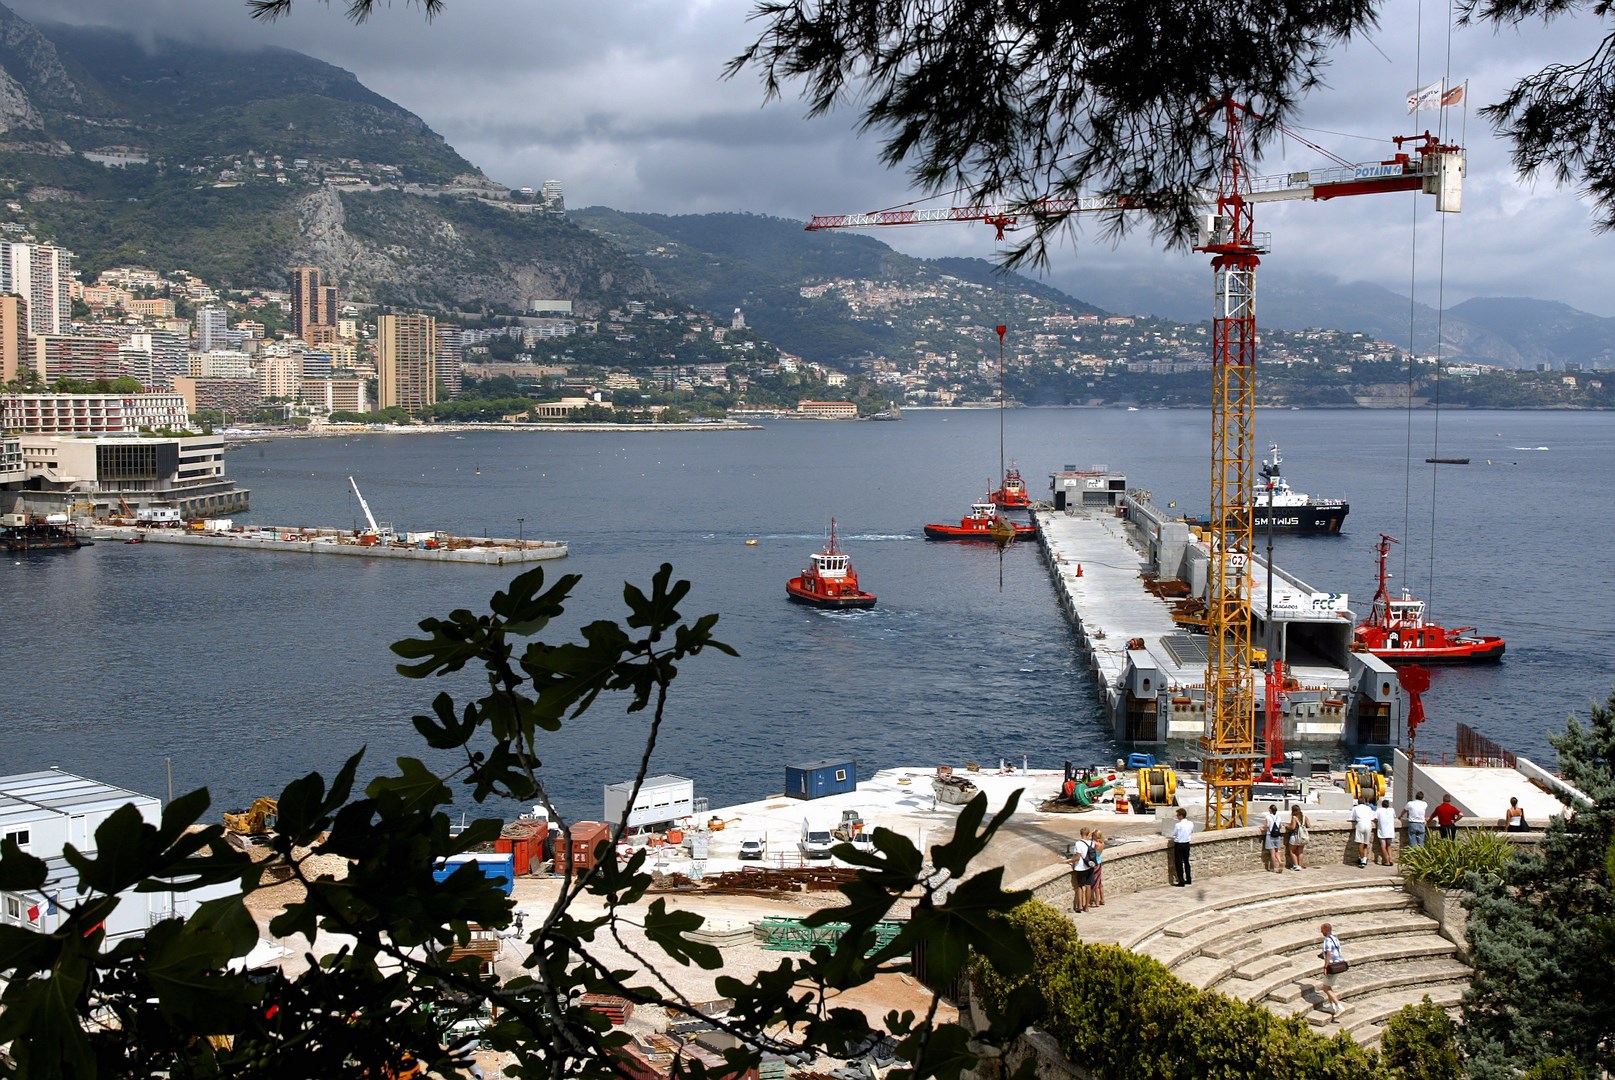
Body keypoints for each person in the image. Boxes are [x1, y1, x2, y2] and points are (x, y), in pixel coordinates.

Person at [1318, 922, 1346, 1019]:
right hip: (1339, 964)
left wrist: (1326, 967)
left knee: (1325, 988)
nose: (1321, 931)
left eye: (1322, 929)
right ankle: (1332, 1007)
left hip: (1332, 966)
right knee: (1328, 986)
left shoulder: (1327, 940)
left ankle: (1339, 1006)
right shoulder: (1335, 938)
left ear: (1326, 930)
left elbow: (1329, 953)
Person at [1067, 828, 1094, 913]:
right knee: (1088, 886)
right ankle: (1086, 907)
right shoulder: (1092, 843)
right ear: (1088, 834)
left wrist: (1069, 861)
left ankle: (1080, 906)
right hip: (1090, 866)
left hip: (1081, 867)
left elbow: (1077, 857)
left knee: (1080, 886)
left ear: (1080, 834)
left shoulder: (1078, 843)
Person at [1349, 797, 1375, 868]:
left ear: (1358, 802)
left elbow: (1352, 818)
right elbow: (1372, 817)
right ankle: (1365, 859)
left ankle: (1361, 858)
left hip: (1360, 824)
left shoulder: (1355, 808)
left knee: (1360, 843)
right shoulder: (1369, 808)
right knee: (1366, 843)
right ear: (1364, 802)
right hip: (1368, 825)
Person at [1170, 807, 1193, 886]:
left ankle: (1181, 881)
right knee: (1186, 862)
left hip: (1179, 844)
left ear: (1181, 816)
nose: (1177, 816)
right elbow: (1191, 831)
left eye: (1177, 815)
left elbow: (1174, 834)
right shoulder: (1190, 823)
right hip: (1187, 844)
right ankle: (1189, 879)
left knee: (1179, 863)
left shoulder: (1178, 825)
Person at [1286, 803, 1310, 870]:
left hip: (1295, 836)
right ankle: (1300, 864)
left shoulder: (1294, 817)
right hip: (1302, 837)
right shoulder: (1305, 817)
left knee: (1292, 851)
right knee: (1300, 851)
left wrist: (1286, 825)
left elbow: (1292, 827)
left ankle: (1296, 866)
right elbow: (1309, 825)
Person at [1262, 803, 1284, 873]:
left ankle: (1274, 868)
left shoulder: (1268, 817)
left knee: (1272, 853)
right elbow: (1280, 826)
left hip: (1270, 835)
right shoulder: (1278, 817)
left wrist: (1262, 828)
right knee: (1276, 851)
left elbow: (1268, 825)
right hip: (1277, 835)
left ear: (1270, 810)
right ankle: (1280, 862)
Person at [1375, 797, 1397, 866]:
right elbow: (1394, 816)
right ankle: (1390, 859)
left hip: (1382, 831)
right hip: (1390, 831)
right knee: (1389, 846)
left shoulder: (1379, 810)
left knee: (1383, 846)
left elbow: (1375, 818)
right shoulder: (1392, 810)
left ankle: (1387, 860)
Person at [1090, 828, 1107, 905]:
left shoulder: (1095, 844)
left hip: (1095, 863)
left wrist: (1091, 833)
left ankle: (1097, 901)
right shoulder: (1102, 843)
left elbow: (1088, 839)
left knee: (1095, 884)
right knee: (1099, 883)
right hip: (1099, 862)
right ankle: (1102, 899)